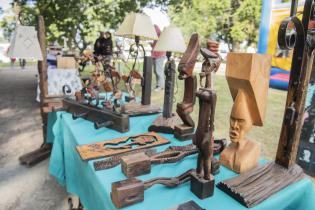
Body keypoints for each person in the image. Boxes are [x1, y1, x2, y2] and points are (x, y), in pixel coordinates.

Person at [151, 25, 166, 91]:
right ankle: (158, 85)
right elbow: (155, 46)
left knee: (158, 71)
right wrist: (151, 44)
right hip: (155, 55)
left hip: (160, 56)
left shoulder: (161, 36)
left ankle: (161, 86)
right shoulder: (155, 37)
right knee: (155, 71)